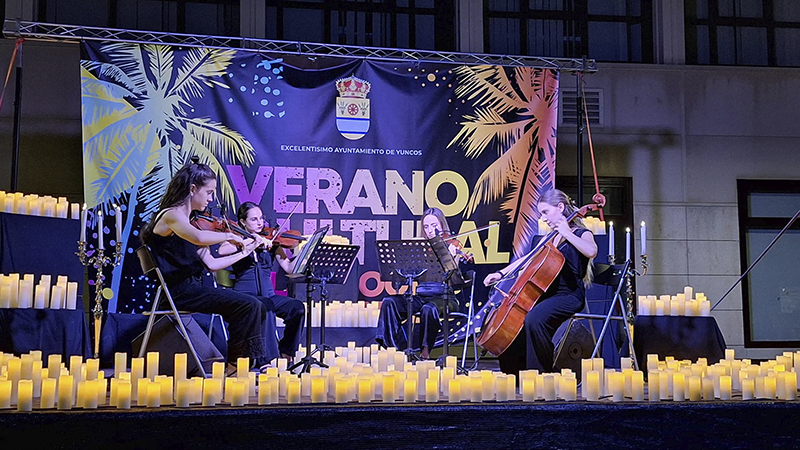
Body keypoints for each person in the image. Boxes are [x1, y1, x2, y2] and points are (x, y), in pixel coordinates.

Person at [140, 159, 269, 373]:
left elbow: (211, 264)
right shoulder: (171, 216)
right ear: (193, 189)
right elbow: (199, 237)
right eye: (208, 192)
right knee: (248, 305)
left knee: (254, 303)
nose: (210, 199)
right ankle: (235, 367)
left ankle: (239, 365)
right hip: (177, 292)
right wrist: (229, 235)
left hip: (193, 289)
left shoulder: (190, 221)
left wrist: (244, 251)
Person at [483, 188, 597, 374]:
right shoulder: (549, 236)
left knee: (534, 320)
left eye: (545, 212)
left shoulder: (581, 233)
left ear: (560, 207)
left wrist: (567, 233)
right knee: (516, 323)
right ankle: (516, 374)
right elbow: (526, 259)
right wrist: (501, 273)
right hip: (546, 294)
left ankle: (542, 374)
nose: (543, 218)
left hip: (568, 295)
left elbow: (591, 251)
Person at [218, 202, 305, 364]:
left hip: (269, 296)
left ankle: (286, 352)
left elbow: (290, 269)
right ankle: (268, 361)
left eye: (261, 218)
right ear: (243, 222)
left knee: (297, 308)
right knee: (266, 307)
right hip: (245, 296)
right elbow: (222, 251)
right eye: (254, 219)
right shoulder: (237, 239)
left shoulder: (271, 241)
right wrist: (251, 243)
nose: (260, 223)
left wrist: (302, 252)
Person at [375, 207, 462, 360]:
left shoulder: (451, 245)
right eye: (426, 226)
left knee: (429, 309)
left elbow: (454, 280)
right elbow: (400, 279)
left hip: (444, 297)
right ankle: (391, 348)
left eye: (434, 226)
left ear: (442, 226)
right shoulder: (420, 247)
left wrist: (453, 258)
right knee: (389, 302)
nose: (430, 230)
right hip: (421, 295)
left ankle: (425, 351)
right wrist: (405, 259)